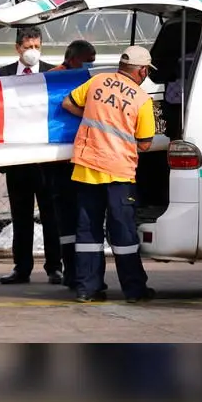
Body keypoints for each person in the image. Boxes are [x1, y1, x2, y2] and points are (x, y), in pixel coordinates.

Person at [61, 45, 155, 303]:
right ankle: (134, 291)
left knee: (88, 232)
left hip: (87, 166)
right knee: (123, 233)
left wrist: (89, 116)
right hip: (118, 173)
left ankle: (86, 288)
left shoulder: (97, 81)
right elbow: (145, 143)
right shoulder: (141, 98)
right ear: (142, 70)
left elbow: (67, 103)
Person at [0, 27, 63, 285]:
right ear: (17, 48)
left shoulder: (53, 72)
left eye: (36, 46)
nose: (32, 51)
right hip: (17, 159)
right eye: (27, 47)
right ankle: (21, 267)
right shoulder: (3, 75)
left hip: (46, 160)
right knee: (20, 216)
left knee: (51, 216)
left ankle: (54, 267)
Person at [47, 40, 97, 288]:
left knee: (82, 218)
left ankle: (81, 272)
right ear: (73, 58)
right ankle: (71, 272)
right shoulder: (53, 79)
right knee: (66, 220)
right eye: (88, 59)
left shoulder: (90, 80)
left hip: (83, 157)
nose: (91, 64)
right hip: (60, 161)